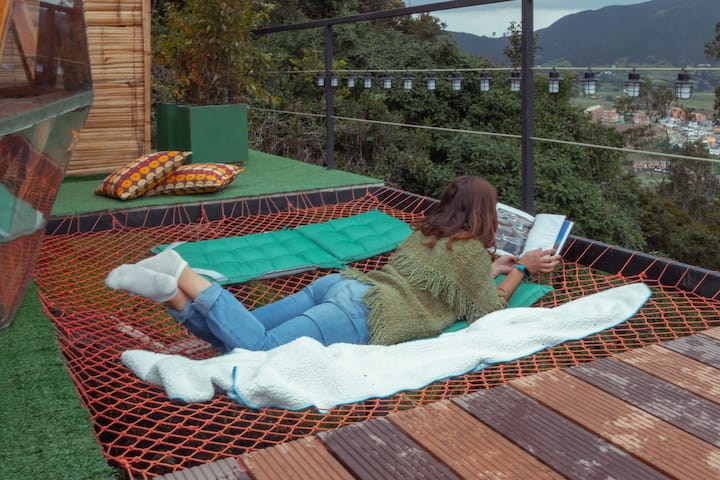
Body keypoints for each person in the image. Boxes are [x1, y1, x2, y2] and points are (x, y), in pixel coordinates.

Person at [106, 175, 561, 352]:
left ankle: (172, 292)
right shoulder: (470, 254)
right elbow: (488, 311)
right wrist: (522, 269)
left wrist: (493, 268)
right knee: (257, 347)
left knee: (232, 336)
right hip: (367, 313)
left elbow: (449, 278)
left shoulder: (425, 232)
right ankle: (183, 273)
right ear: (485, 215)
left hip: (341, 288)